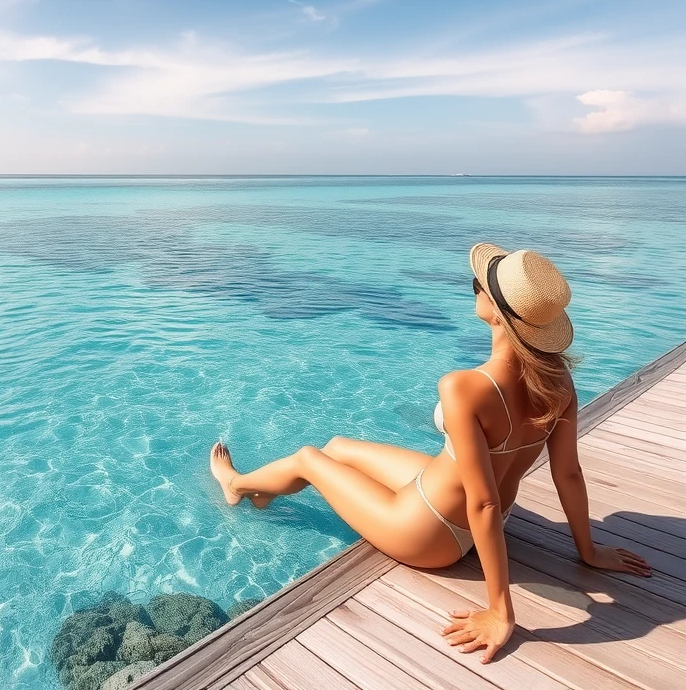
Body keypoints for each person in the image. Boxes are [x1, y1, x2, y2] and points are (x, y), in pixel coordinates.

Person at [209, 242, 651, 664]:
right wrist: (588, 550)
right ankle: (268, 492)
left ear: (496, 314)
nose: (475, 289)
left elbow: (481, 500)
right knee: (339, 448)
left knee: (309, 457)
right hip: (480, 513)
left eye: (479, 286)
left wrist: (500, 611)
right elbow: (567, 474)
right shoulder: (559, 383)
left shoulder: (464, 387)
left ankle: (236, 485)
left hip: (430, 532)